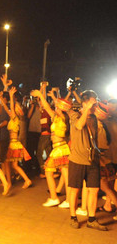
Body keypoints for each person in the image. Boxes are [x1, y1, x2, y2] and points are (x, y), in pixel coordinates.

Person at [66, 90, 105, 230]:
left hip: (92, 160)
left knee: (93, 190)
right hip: (77, 159)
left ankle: (92, 219)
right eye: (92, 102)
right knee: (75, 190)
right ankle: (73, 217)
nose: (95, 105)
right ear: (85, 102)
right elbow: (79, 126)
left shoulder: (94, 118)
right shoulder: (74, 114)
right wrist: (86, 109)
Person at [32, 89, 71, 207]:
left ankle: (57, 198)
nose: (56, 107)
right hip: (59, 148)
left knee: (50, 171)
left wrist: (40, 95)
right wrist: (53, 96)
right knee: (64, 174)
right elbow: (50, 106)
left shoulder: (61, 118)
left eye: (58, 106)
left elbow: (47, 107)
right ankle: (64, 199)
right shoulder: (59, 118)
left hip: (60, 149)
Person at [0, 87, 32, 189]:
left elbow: (11, 109)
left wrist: (10, 96)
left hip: (13, 144)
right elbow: (7, 108)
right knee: (13, 165)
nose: (11, 110)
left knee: (12, 165)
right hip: (13, 143)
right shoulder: (13, 118)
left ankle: (21, 180)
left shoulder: (14, 118)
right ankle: (23, 180)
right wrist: (1, 99)